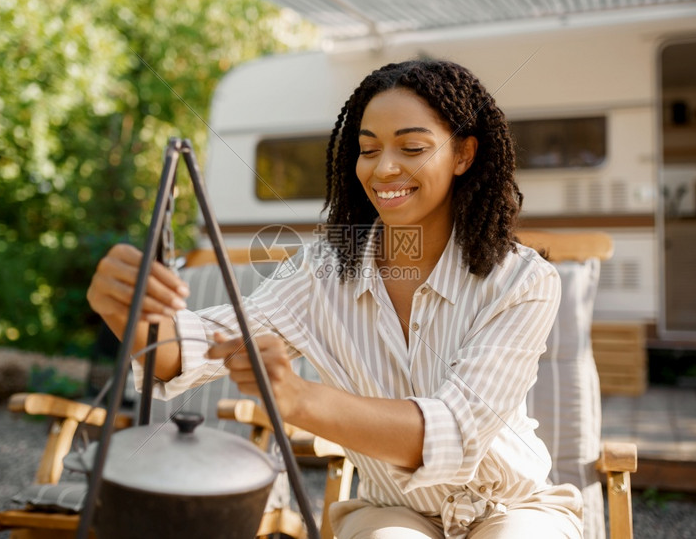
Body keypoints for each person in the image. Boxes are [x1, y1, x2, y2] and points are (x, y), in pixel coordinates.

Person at [87, 59, 583, 538]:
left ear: (463, 155)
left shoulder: (520, 280)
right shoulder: (324, 269)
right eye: (368, 150)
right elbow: (195, 347)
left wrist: (299, 398)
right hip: (394, 509)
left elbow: (455, 429)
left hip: (513, 507)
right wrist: (126, 309)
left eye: (412, 147)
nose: (384, 168)